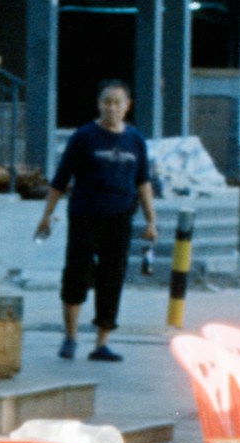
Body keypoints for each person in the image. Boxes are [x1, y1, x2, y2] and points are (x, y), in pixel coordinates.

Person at [36, 81, 158, 362]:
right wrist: (46, 215)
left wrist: (151, 220)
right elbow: (60, 180)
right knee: (76, 274)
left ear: (127, 105)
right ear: (99, 104)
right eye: (106, 102)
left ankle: (102, 342)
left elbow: (143, 182)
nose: (111, 107)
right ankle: (70, 336)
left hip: (120, 217)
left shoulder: (135, 140)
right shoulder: (83, 137)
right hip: (85, 215)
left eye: (117, 102)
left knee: (112, 278)